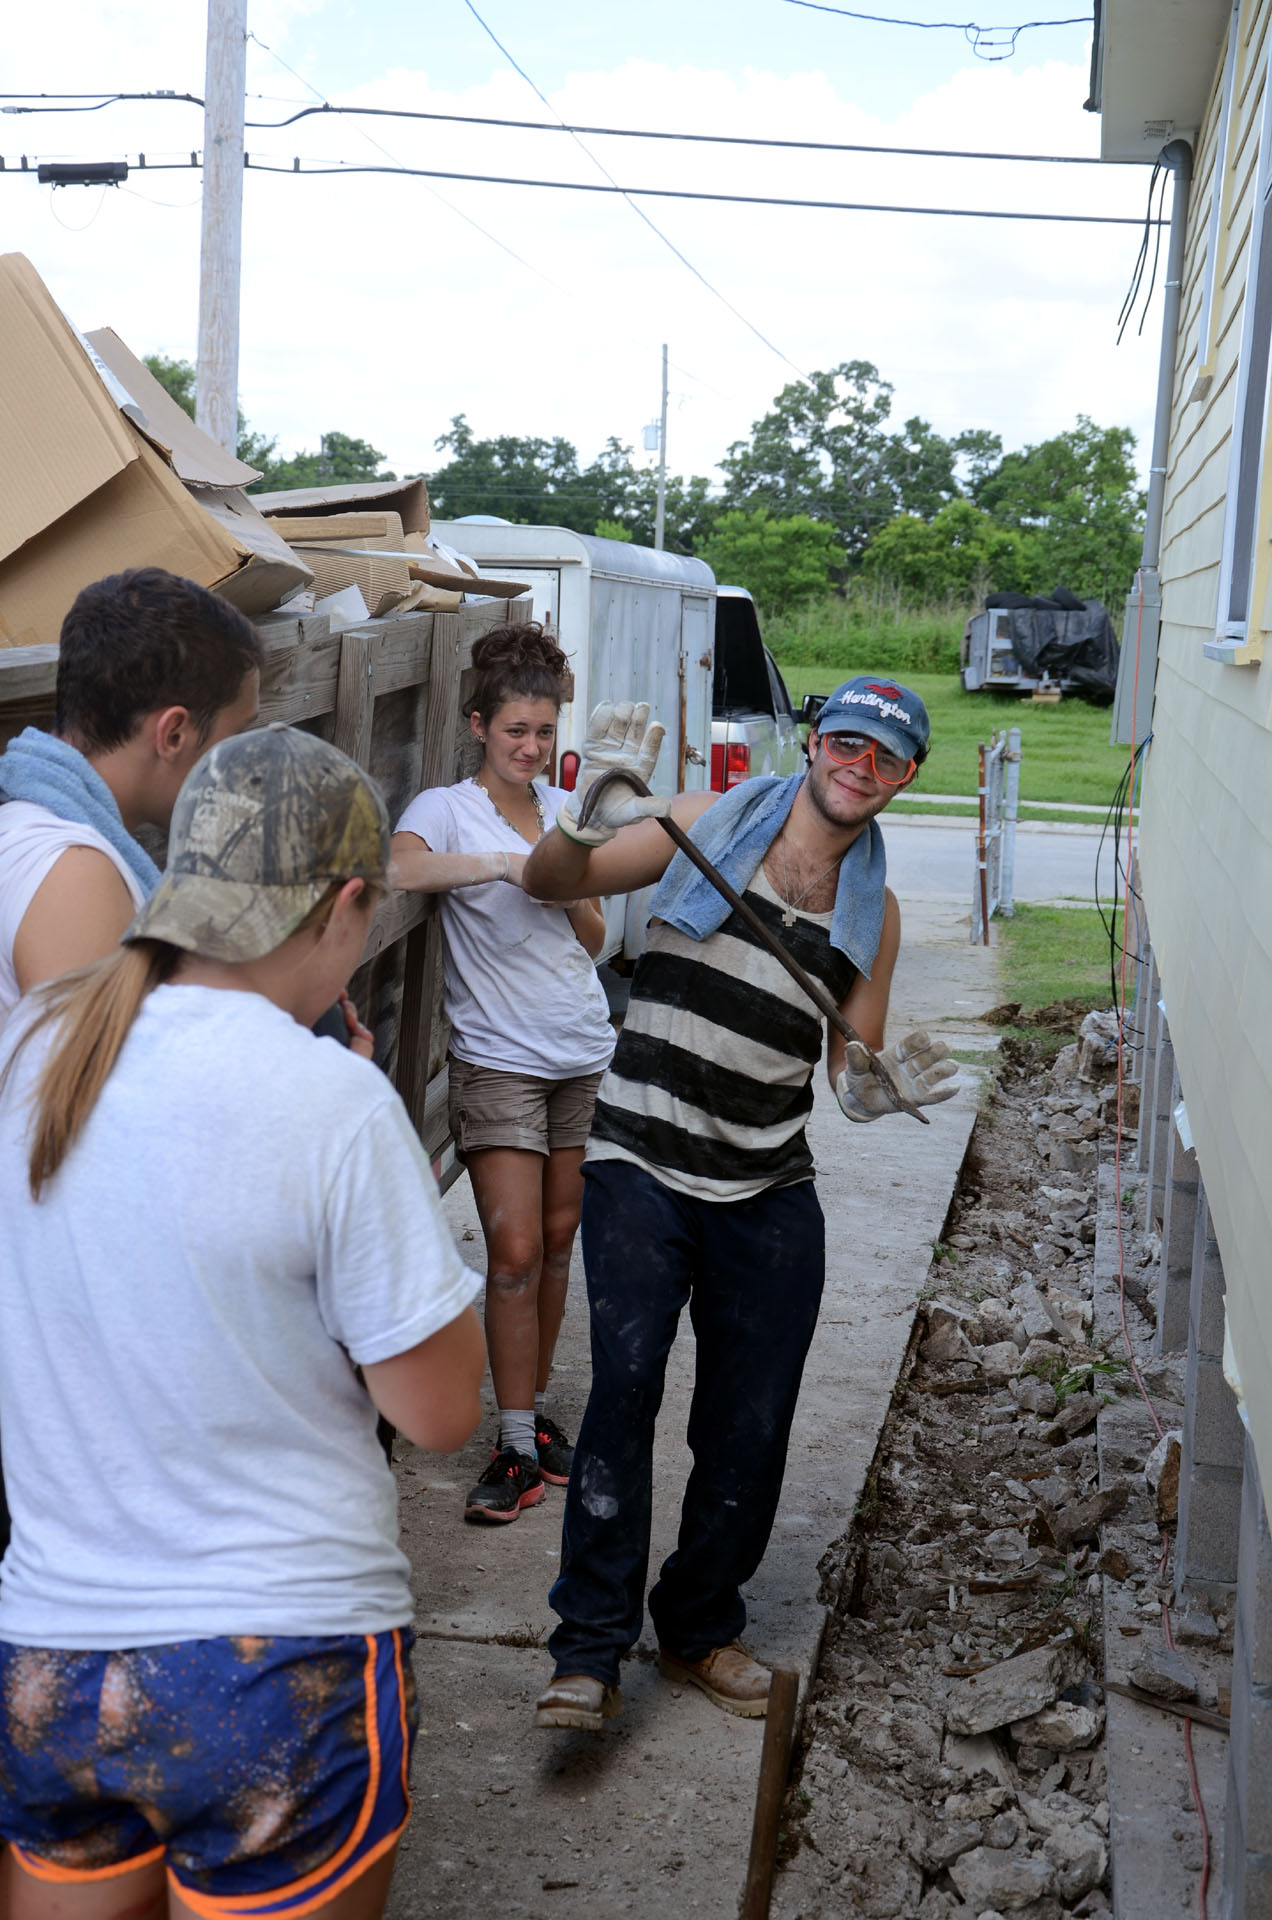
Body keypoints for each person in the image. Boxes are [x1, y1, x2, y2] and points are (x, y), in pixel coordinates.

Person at [0, 723, 486, 1920]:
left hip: (54, 1654)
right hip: (279, 1659)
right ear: (348, 901)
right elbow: (436, 1414)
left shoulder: (33, 1048)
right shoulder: (332, 1102)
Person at [522, 679, 959, 1731]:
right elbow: (548, 885)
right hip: (640, 1162)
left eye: (885, 758)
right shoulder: (707, 821)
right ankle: (586, 1652)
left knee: (749, 1427)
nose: (859, 765)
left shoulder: (876, 912)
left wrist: (873, 1087)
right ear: (815, 744)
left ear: (903, 781)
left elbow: (849, 1059)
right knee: (622, 1394)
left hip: (765, 1188)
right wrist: (581, 821)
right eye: (847, 742)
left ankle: (698, 1627)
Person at [391, 623, 615, 1524]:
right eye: (516, 730)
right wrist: (502, 865)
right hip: (498, 1063)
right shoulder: (446, 809)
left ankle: (529, 1422)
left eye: (544, 732)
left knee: (560, 1247)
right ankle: (515, 1447)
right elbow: (398, 868)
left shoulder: (569, 812)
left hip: (582, 1054)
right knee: (513, 1251)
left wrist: (564, 872)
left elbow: (596, 939)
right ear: (480, 725)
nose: (531, 748)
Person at [0, 567, 262, 1029]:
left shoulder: (39, 834)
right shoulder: (73, 877)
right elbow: (85, 1098)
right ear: (175, 733)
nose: (242, 766)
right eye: (235, 737)